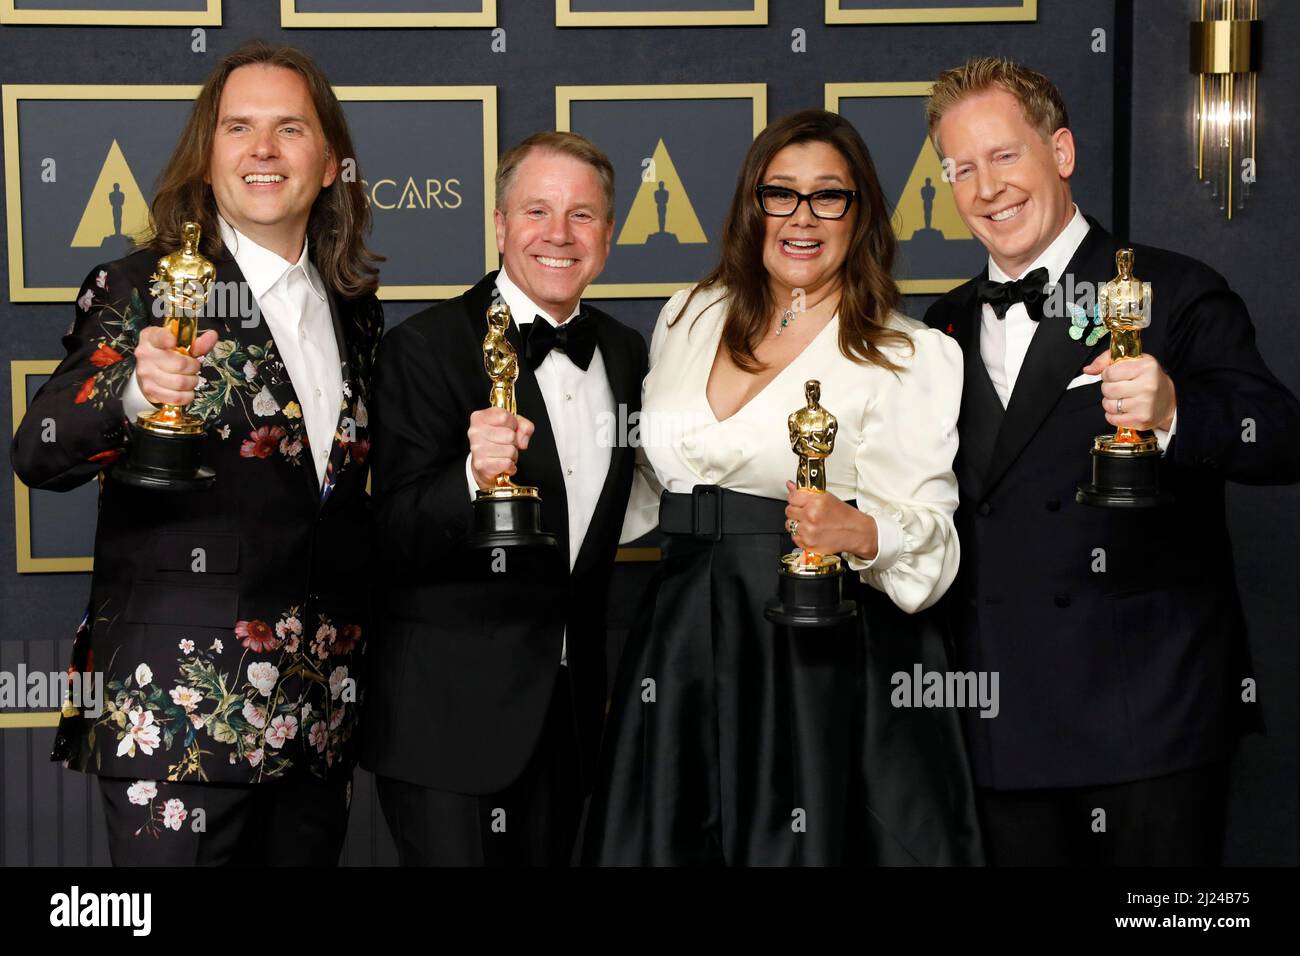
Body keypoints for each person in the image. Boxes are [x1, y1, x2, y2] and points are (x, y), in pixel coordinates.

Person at [10, 41, 384, 865]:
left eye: (290, 129)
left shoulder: (353, 309)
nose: (262, 150)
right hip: (178, 716)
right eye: (238, 128)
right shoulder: (141, 285)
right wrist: (136, 394)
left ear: (329, 165)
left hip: (315, 724)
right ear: (206, 156)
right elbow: (39, 451)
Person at [923, 57, 1300, 865]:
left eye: (1004, 156)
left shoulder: (1173, 289)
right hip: (999, 720)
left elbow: (1280, 437)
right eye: (962, 169)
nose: (986, 188)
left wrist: (1174, 412)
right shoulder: (942, 325)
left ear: (1060, 153)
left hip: (1150, 719)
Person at [584, 109, 984, 866]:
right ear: (752, 206)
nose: (803, 218)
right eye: (781, 194)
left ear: (860, 213)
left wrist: (862, 532)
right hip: (680, 635)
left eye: (829, 196)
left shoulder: (909, 352)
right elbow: (638, 483)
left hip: (813, 643)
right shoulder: (689, 315)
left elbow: (931, 538)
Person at [360, 131, 649, 866]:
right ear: (497, 224)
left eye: (583, 216)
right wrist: (468, 479)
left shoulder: (626, 353)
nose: (559, 234)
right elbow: (391, 533)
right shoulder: (424, 348)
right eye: (537, 211)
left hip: (573, 719)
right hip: (446, 727)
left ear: (608, 238)